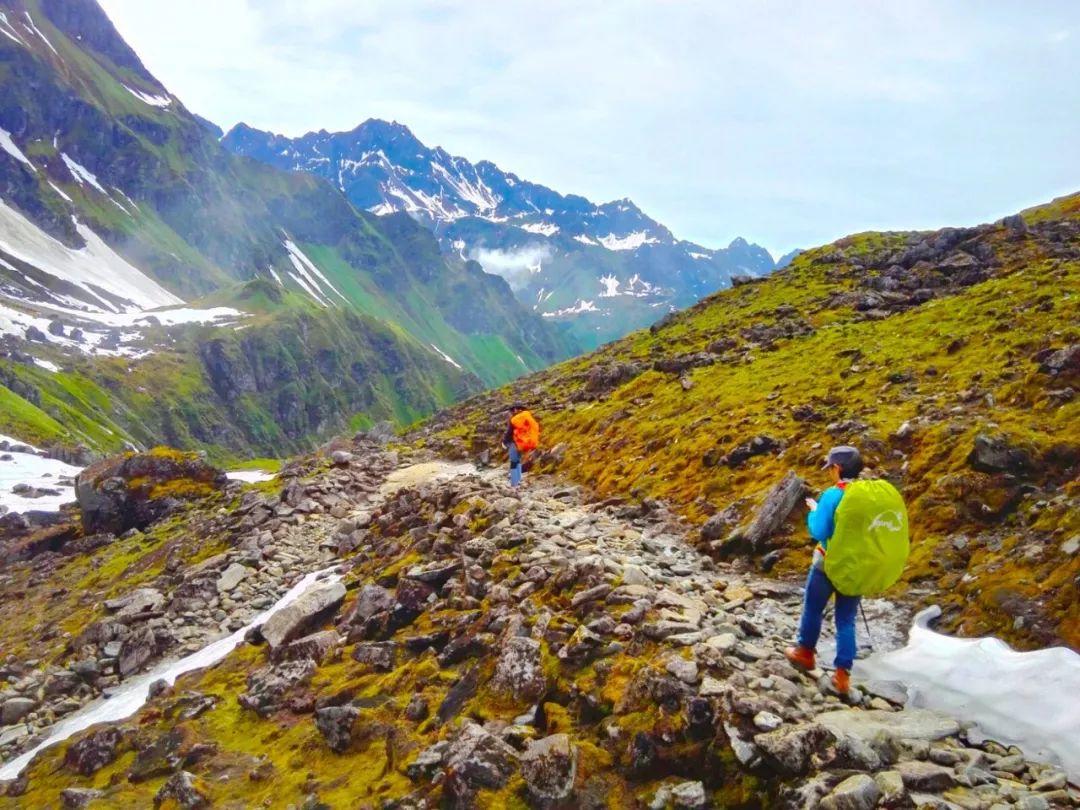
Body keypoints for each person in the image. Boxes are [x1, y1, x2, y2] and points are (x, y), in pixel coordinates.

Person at [785, 445, 865, 693]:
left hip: (828, 563)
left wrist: (814, 512)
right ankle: (842, 676)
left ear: (838, 468)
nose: (830, 472)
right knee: (846, 619)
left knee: (813, 608)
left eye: (830, 467)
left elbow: (819, 531)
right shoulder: (868, 495)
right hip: (857, 565)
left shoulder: (833, 494)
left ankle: (805, 653)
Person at [503, 403, 540, 487]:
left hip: (516, 442)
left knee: (514, 461)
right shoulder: (529, 416)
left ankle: (515, 482)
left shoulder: (515, 419)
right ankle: (518, 479)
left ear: (516, 409)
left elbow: (509, 432)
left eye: (512, 410)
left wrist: (504, 442)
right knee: (519, 460)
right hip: (528, 443)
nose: (511, 412)